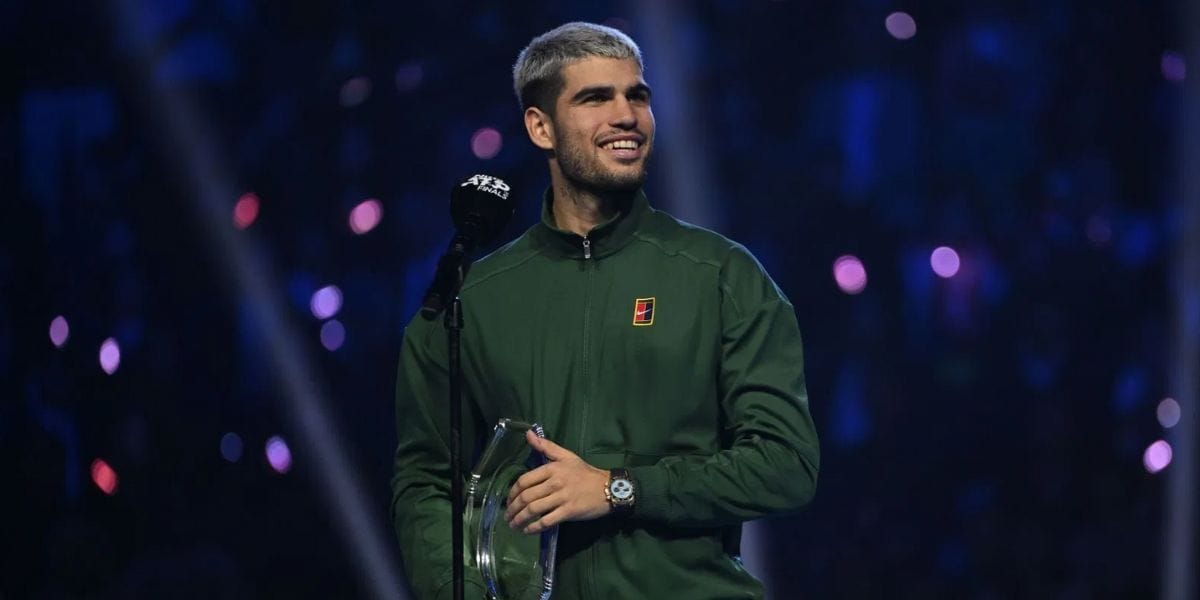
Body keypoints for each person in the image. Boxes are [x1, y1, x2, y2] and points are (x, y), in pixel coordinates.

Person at [391, 22, 819, 600]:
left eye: (637, 95)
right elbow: (424, 480)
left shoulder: (721, 275)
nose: (627, 115)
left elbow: (785, 464)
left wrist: (618, 488)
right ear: (540, 127)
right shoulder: (473, 298)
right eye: (596, 98)